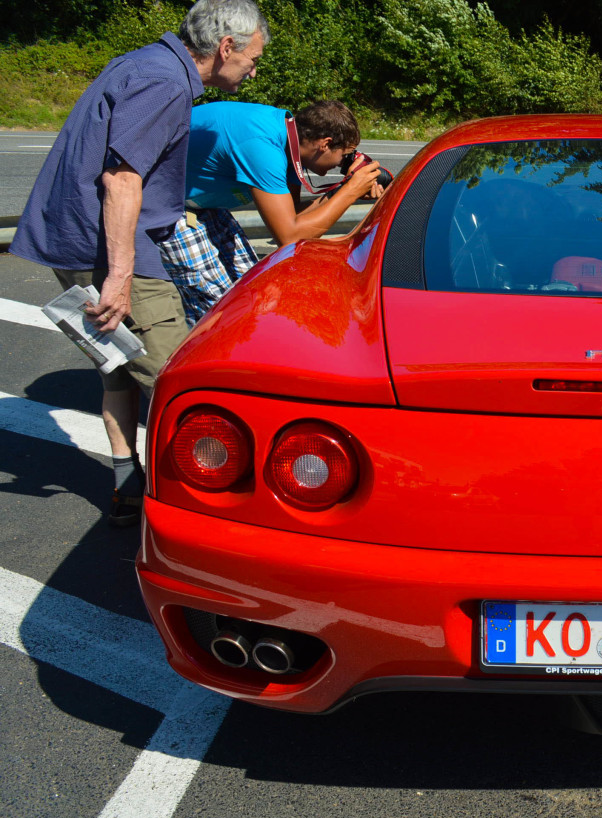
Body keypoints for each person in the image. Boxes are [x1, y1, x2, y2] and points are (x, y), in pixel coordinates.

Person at [9, 0, 269, 527]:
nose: (254, 69)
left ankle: (128, 488)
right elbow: (121, 180)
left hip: (77, 241)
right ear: (226, 48)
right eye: (253, 59)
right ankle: (215, 514)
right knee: (182, 381)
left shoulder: (142, 61)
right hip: (106, 250)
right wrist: (121, 280)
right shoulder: (165, 82)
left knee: (120, 367)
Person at [158, 99, 385, 324]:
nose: (341, 164)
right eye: (345, 155)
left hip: (205, 205)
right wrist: (351, 191)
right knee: (224, 312)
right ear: (324, 144)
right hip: (163, 205)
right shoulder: (263, 147)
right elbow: (289, 236)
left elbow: (292, 215)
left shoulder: (288, 136)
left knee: (250, 291)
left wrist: (345, 190)